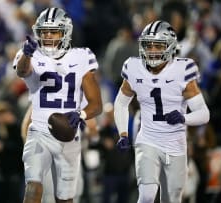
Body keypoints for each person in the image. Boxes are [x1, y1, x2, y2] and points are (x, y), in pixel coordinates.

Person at [113, 20, 210, 203]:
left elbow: (204, 113)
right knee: (147, 196)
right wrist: (123, 133)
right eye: (148, 45)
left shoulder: (182, 71)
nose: (152, 50)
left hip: (176, 144)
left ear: (170, 47)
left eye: (158, 45)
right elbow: (120, 103)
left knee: (172, 199)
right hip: (147, 139)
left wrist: (184, 118)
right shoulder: (134, 68)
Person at [13, 7, 102, 203]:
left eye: (53, 31)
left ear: (65, 33)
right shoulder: (32, 55)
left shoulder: (81, 57)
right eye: (44, 31)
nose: (48, 36)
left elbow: (97, 104)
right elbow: (22, 71)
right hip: (39, 132)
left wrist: (81, 115)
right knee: (33, 186)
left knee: (65, 198)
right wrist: (26, 55)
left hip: (69, 135)